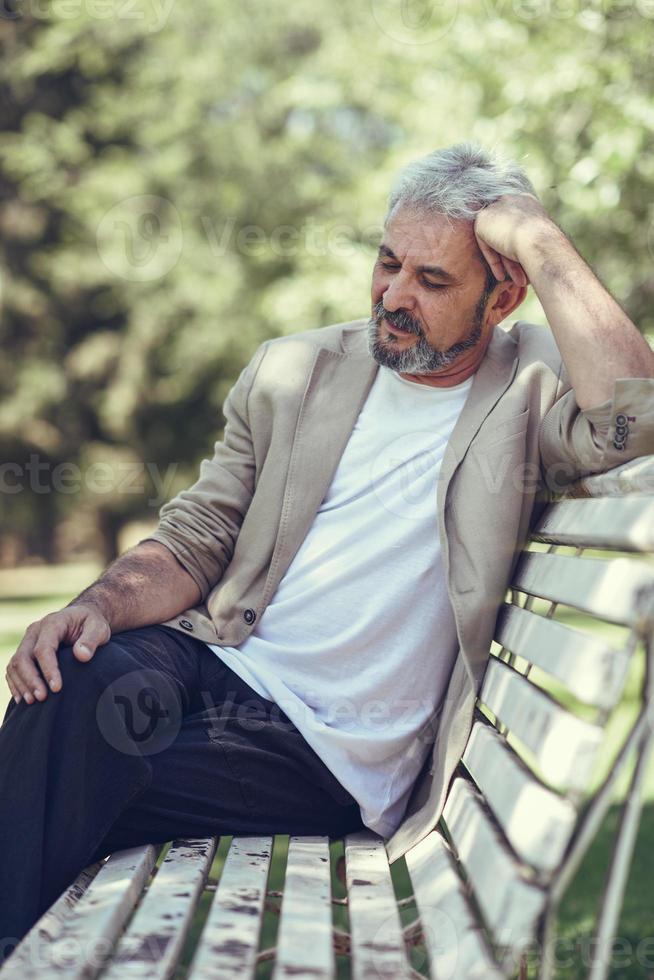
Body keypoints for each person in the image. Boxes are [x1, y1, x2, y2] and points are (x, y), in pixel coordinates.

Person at [1, 143, 653, 957]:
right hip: (221, 665)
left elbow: (640, 417)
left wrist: (537, 236)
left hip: (329, 747)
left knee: (56, 770)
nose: (395, 295)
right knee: (75, 672)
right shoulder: (295, 369)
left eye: (433, 280)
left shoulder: (533, 385)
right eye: (388, 264)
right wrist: (95, 604)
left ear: (503, 297)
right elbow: (198, 536)